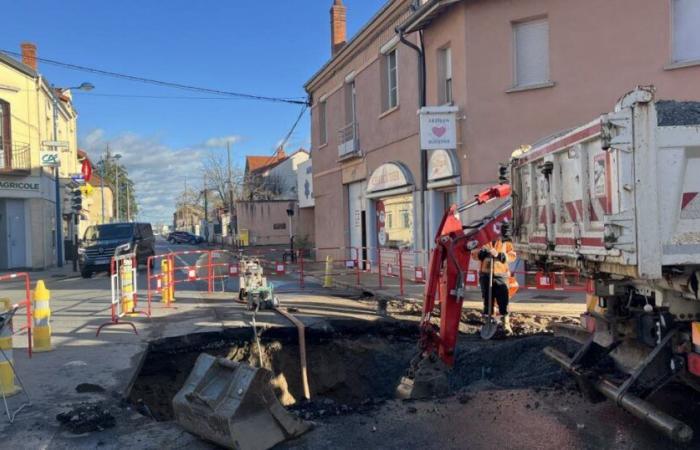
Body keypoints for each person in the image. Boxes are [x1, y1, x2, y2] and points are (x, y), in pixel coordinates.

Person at [475, 221, 517, 334]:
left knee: (503, 300)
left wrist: (500, 255)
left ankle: (506, 324)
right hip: (486, 274)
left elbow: (512, 255)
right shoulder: (483, 241)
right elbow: (474, 253)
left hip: (500, 274)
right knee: (488, 300)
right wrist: (481, 254)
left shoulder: (505, 242)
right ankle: (489, 321)